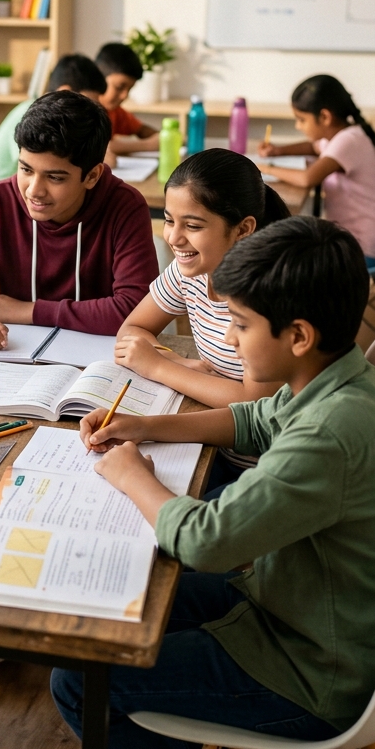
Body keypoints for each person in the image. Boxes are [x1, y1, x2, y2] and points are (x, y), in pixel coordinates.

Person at [50, 216, 375, 749]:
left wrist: (132, 477)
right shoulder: (344, 378)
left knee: (80, 681)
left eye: (242, 324)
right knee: (113, 606)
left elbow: (206, 542)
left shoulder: (328, 434)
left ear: (298, 336)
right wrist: (146, 425)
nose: (227, 339)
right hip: (306, 607)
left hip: (316, 670)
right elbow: (253, 418)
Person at [115, 149, 290, 493]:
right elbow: (132, 331)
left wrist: (160, 367)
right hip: (211, 447)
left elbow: (253, 406)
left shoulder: (266, 294)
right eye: (169, 220)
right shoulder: (189, 270)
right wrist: (180, 363)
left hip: (262, 468)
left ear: (243, 229)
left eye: (193, 226)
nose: (173, 238)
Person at [0, 90, 159, 349]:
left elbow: (136, 309)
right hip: (15, 353)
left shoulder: (125, 207)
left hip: (97, 359)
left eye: (54, 177)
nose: (34, 190)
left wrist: (30, 311)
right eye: (26, 169)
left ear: (92, 176)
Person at [258, 73, 375, 260]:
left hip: (362, 249)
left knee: (288, 254)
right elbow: (314, 147)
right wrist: (278, 151)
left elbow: (307, 178)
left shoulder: (348, 141)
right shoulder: (345, 135)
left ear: (325, 117)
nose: (298, 126)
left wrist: (265, 168)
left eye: (301, 119)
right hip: (363, 241)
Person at [0, 53, 107, 194]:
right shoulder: (33, 115)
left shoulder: (50, 117)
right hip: (2, 195)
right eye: (86, 101)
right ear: (65, 91)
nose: (88, 111)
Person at [95, 42, 158, 156]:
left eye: (129, 89)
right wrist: (148, 145)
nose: (125, 96)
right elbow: (96, 146)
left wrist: (164, 136)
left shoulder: (115, 112)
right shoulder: (81, 111)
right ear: (97, 78)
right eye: (119, 87)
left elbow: (142, 130)